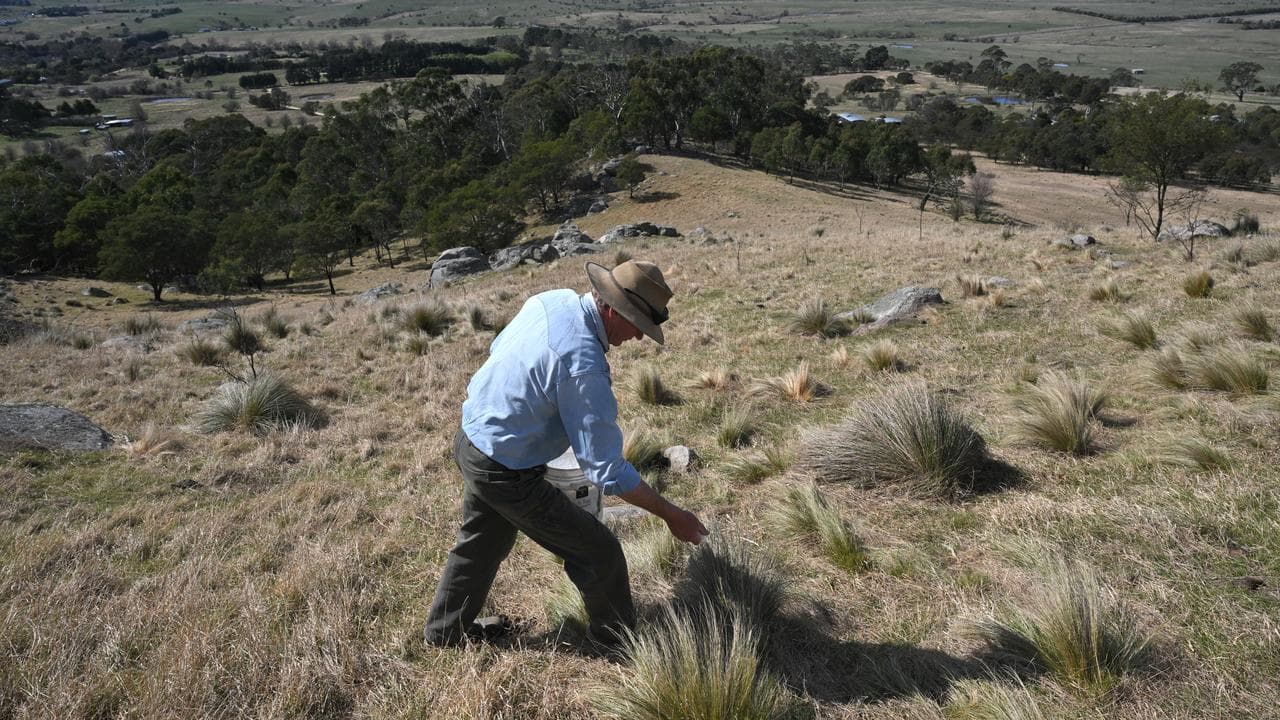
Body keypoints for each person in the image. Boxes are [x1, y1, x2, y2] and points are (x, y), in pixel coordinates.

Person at [424, 260, 709, 649]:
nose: (640, 338)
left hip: (472, 438)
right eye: (636, 325)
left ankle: (445, 634)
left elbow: (499, 349)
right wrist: (672, 514)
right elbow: (607, 470)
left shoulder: (551, 301)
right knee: (599, 552)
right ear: (611, 308)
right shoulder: (583, 368)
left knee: (482, 541)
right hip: (505, 470)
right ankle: (616, 643)